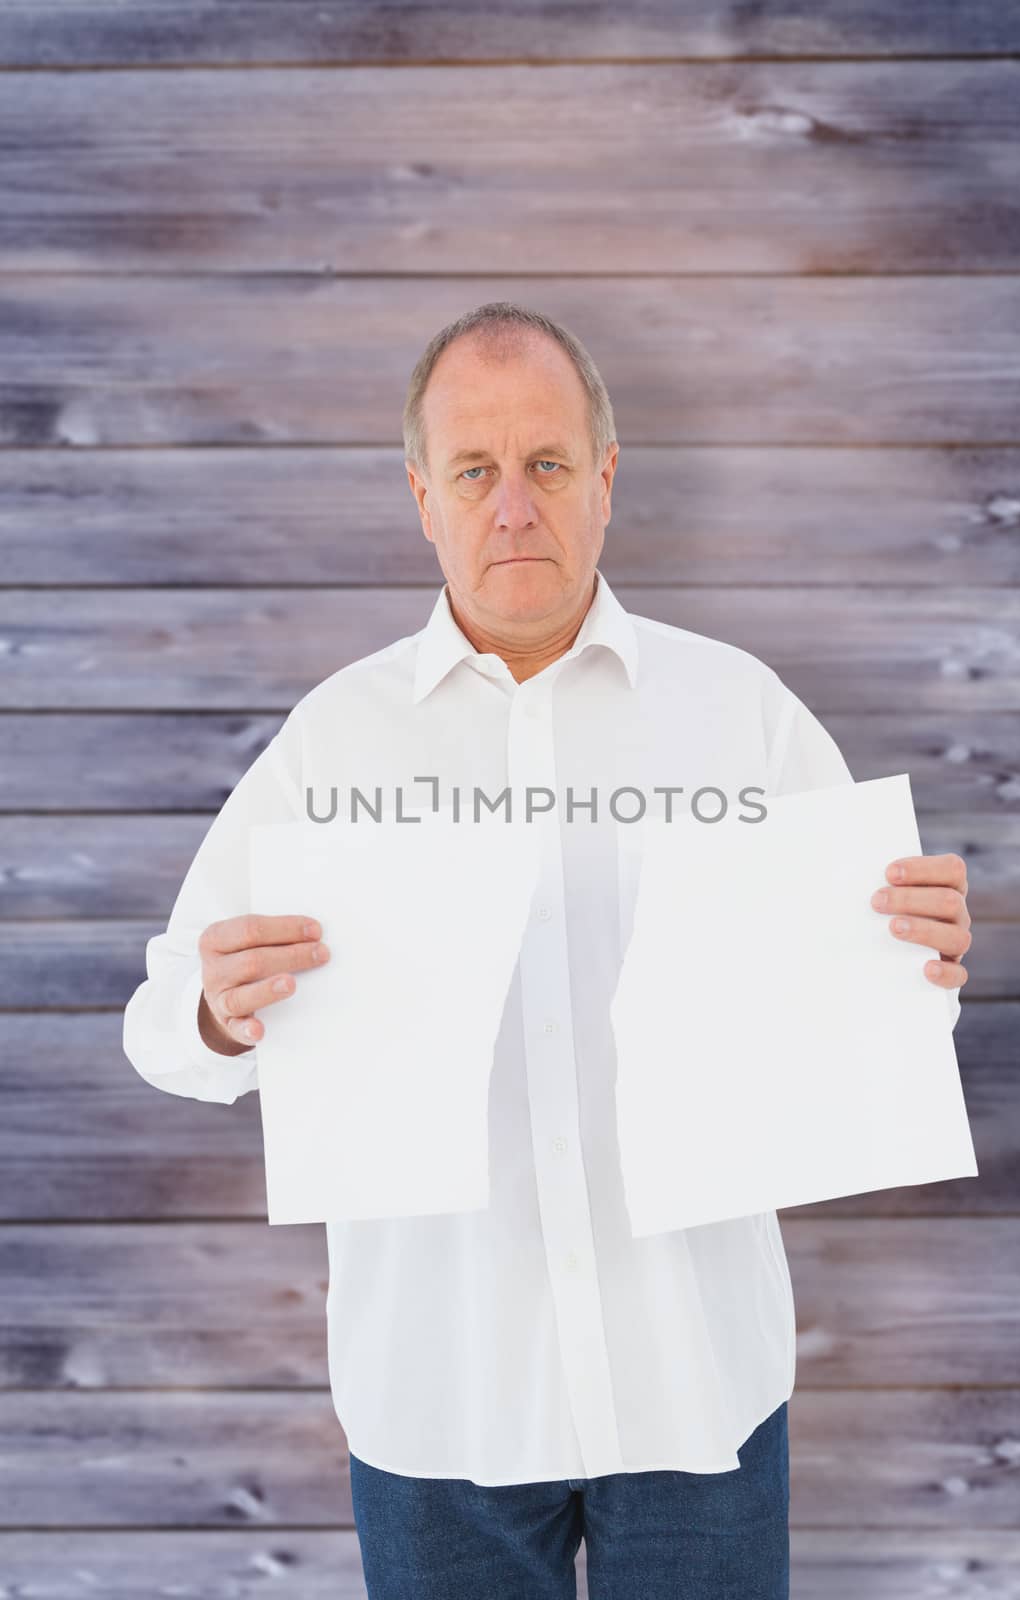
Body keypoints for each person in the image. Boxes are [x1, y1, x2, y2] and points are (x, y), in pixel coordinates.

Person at [123, 300, 972, 1599]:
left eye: (546, 464)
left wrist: (915, 968)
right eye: (473, 470)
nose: (511, 506)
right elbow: (161, 1027)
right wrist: (217, 1015)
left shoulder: (735, 712)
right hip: (440, 1402)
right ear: (421, 495)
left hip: (696, 1392)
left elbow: (859, 1006)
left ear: (606, 481)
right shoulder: (335, 740)